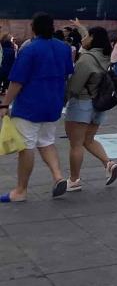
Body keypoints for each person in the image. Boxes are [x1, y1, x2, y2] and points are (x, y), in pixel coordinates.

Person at [0, 13, 73, 201]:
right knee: (47, 141)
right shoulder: (63, 48)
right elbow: (67, 72)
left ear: (33, 28)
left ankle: (20, 191)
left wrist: (5, 103)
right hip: (53, 104)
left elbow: (17, 81)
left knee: (26, 146)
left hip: (29, 105)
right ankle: (58, 177)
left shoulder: (30, 50)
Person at [64, 25, 117, 190]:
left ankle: (74, 180)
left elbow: (74, 87)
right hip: (99, 104)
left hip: (82, 104)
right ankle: (108, 163)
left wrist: (63, 97)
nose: (83, 39)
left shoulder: (86, 59)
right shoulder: (106, 57)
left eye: (86, 36)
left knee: (76, 143)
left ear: (93, 38)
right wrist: (82, 28)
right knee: (88, 139)